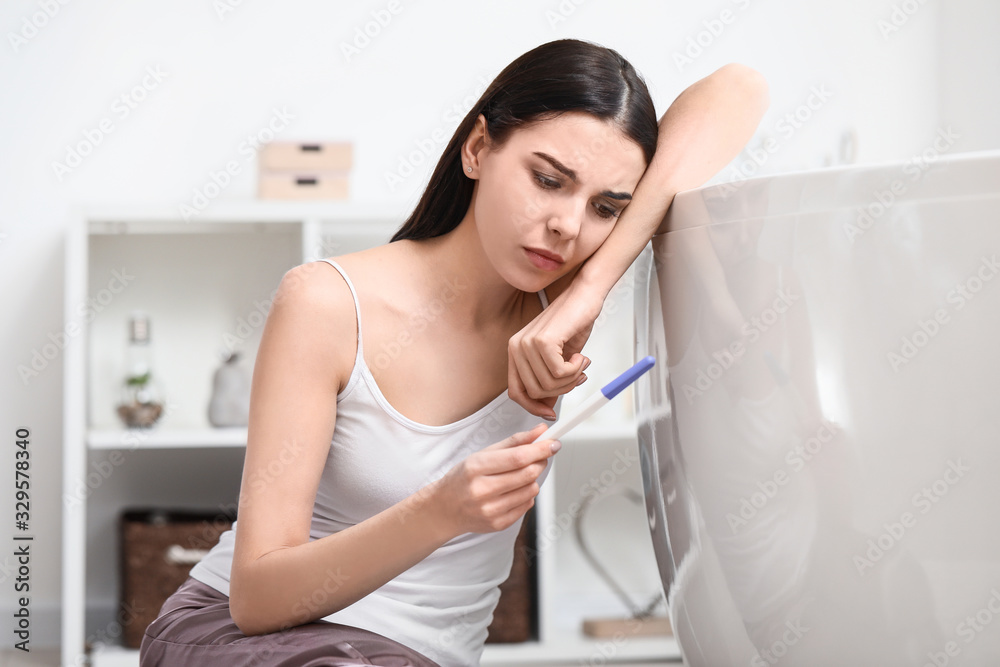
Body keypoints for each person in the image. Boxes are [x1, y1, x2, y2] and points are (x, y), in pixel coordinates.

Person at [139, 38, 768, 667]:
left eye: (606, 208)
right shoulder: (326, 304)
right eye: (548, 180)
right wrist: (440, 512)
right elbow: (256, 597)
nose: (570, 226)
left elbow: (739, 88)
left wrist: (588, 297)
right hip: (244, 636)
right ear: (476, 149)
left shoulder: (562, 293)